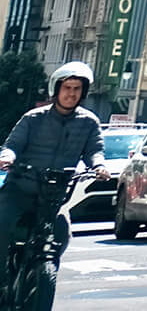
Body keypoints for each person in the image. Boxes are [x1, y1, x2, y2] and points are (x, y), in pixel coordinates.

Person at [0, 61, 107, 258]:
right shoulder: (33, 118)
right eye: (67, 88)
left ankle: (44, 271)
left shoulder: (89, 122)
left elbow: (95, 150)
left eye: (77, 88)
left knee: (62, 234)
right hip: (21, 188)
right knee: (2, 227)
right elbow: (12, 145)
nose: (71, 93)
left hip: (55, 195)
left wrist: (99, 166)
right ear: (56, 89)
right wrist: (7, 158)